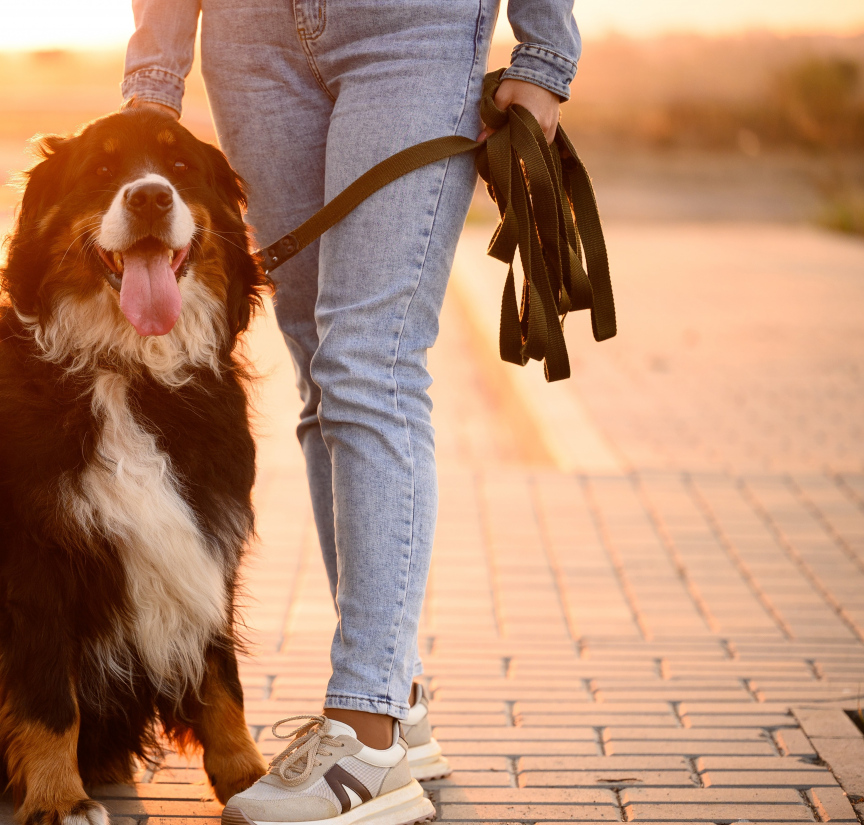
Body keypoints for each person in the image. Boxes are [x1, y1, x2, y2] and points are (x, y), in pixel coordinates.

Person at [122, 1, 579, 822]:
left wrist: (544, 54)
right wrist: (154, 75)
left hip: (411, 26)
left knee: (371, 358)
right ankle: (396, 702)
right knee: (323, 369)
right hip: (249, 33)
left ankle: (365, 732)